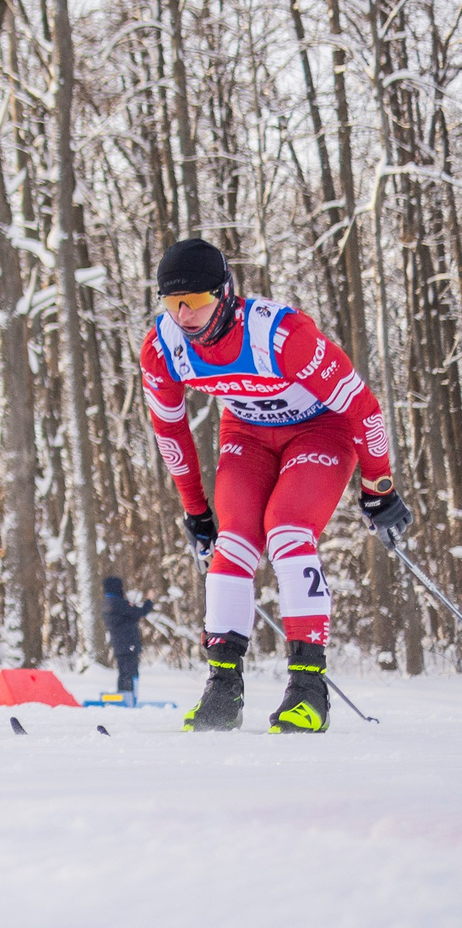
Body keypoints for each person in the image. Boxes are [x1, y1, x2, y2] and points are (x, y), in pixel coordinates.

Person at [138, 237, 412, 734]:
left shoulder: (282, 336)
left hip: (319, 430)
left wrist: (380, 486)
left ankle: (308, 689)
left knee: (286, 531)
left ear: (224, 294)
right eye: (172, 303)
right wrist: (196, 511)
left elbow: (362, 408)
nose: (185, 315)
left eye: (195, 301)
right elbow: (170, 431)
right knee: (233, 540)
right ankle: (223, 688)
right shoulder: (164, 347)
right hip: (247, 434)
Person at [102, 577, 154, 701]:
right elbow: (138, 613)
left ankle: (125, 697)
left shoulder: (108, 603)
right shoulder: (117, 603)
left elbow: (131, 615)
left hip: (119, 643)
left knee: (124, 672)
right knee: (129, 672)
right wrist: (149, 601)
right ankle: (129, 698)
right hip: (128, 643)